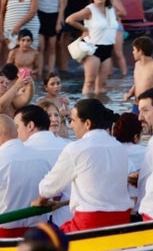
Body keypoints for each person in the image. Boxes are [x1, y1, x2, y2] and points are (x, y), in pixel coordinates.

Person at [33, 98, 133, 233]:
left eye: (73, 120)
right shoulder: (119, 147)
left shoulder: (75, 148)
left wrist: (40, 201)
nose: (70, 126)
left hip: (90, 222)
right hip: (122, 220)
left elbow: (48, 188)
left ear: (87, 123)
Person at [66, 0, 124, 96]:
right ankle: (85, 108)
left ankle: (101, 107)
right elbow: (70, 19)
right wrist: (85, 29)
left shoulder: (111, 10)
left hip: (108, 48)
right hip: (93, 49)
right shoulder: (90, 10)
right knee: (89, 82)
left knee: (102, 83)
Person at [123, 36, 153, 104]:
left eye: (134, 50)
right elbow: (137, 83)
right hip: (137, 103)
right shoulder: (137, 65)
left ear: (141, 51)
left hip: (150, 105)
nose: (133, 52)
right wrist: (130, 94)